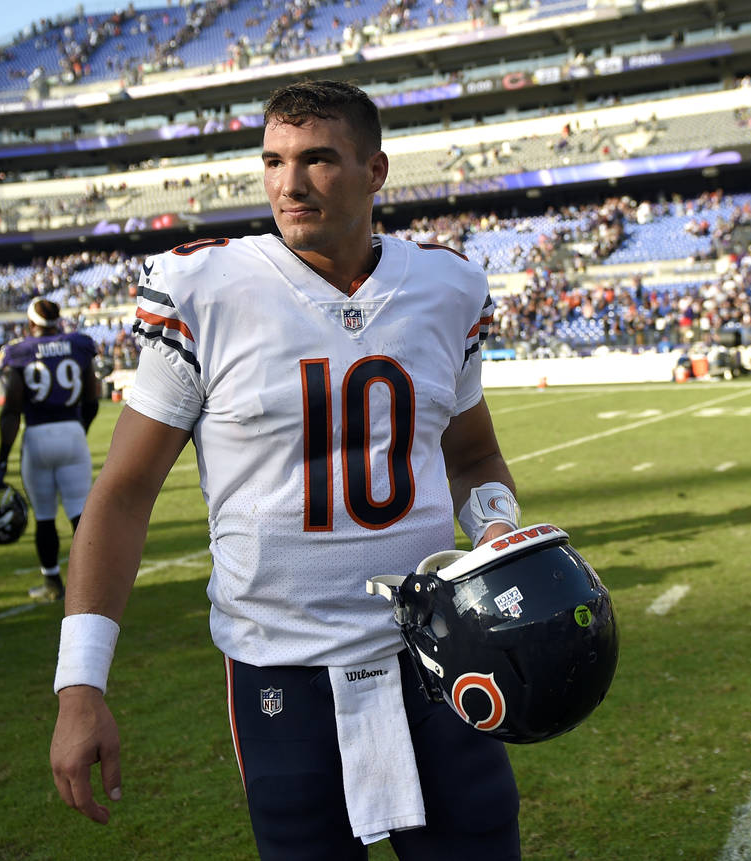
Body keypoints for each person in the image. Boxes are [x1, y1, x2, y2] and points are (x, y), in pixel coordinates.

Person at [48, 81, 523, 858]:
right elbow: (123, 494)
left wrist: (497, 527)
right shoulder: (207, 290)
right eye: (273, 160)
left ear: (375, 171)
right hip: (282, 666)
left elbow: (472, 457)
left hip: (436, 649)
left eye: (317, 159)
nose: (289, 183)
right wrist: (80, 684)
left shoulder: (447, 287)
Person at [0, 297, 99, 602]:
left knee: (44, 516)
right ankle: (93, 583)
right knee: (79, 513)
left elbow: (11, 410)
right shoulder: (78, 344)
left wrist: (2, 461)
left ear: (31, 323)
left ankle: (52, 583)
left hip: (37, 436)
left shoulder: (20, 351)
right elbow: (92, 399)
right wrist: (79, 430)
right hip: (72, 432)